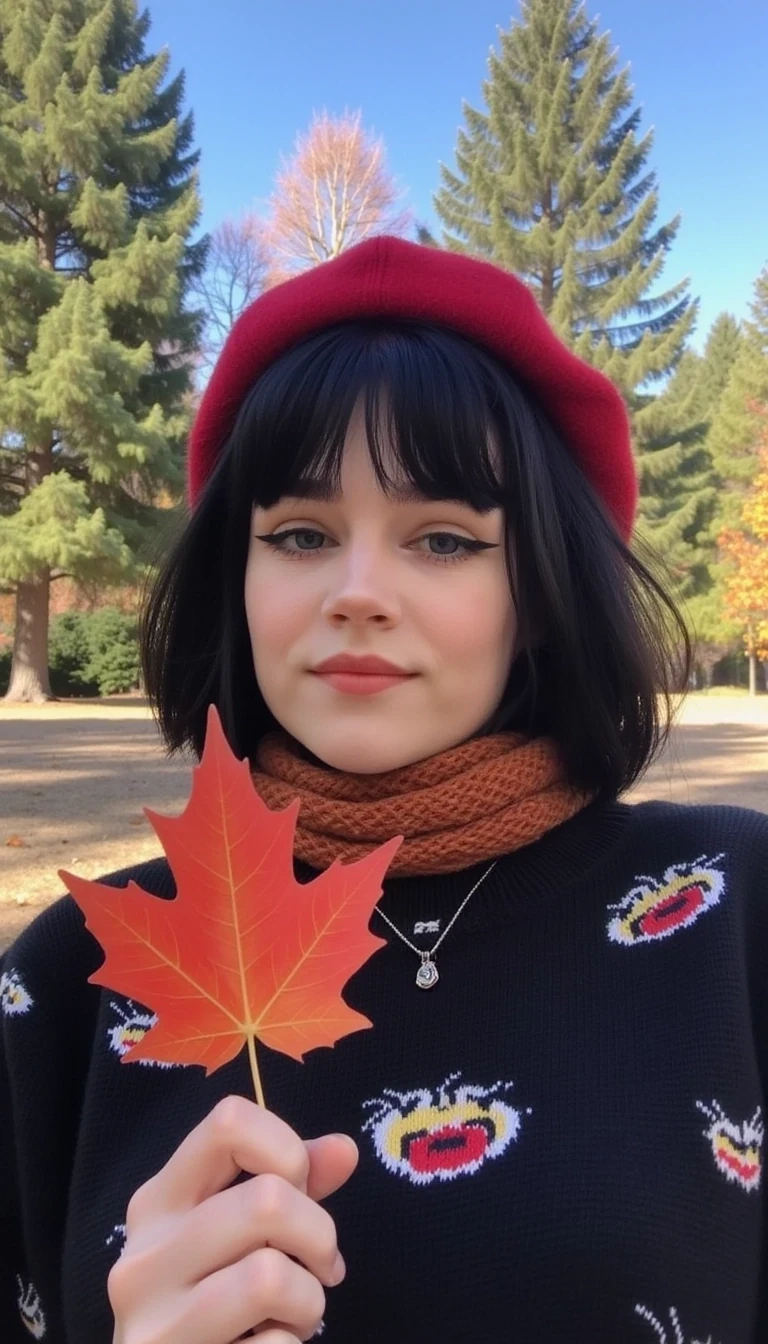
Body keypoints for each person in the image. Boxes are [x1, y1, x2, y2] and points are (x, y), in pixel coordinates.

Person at [1, 235, 766, 1344]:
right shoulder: (71, 980)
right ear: (240, 575)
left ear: (541, 594)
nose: (358, 592)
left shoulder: (730, 916)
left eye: (445, 539)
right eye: (301, 534)